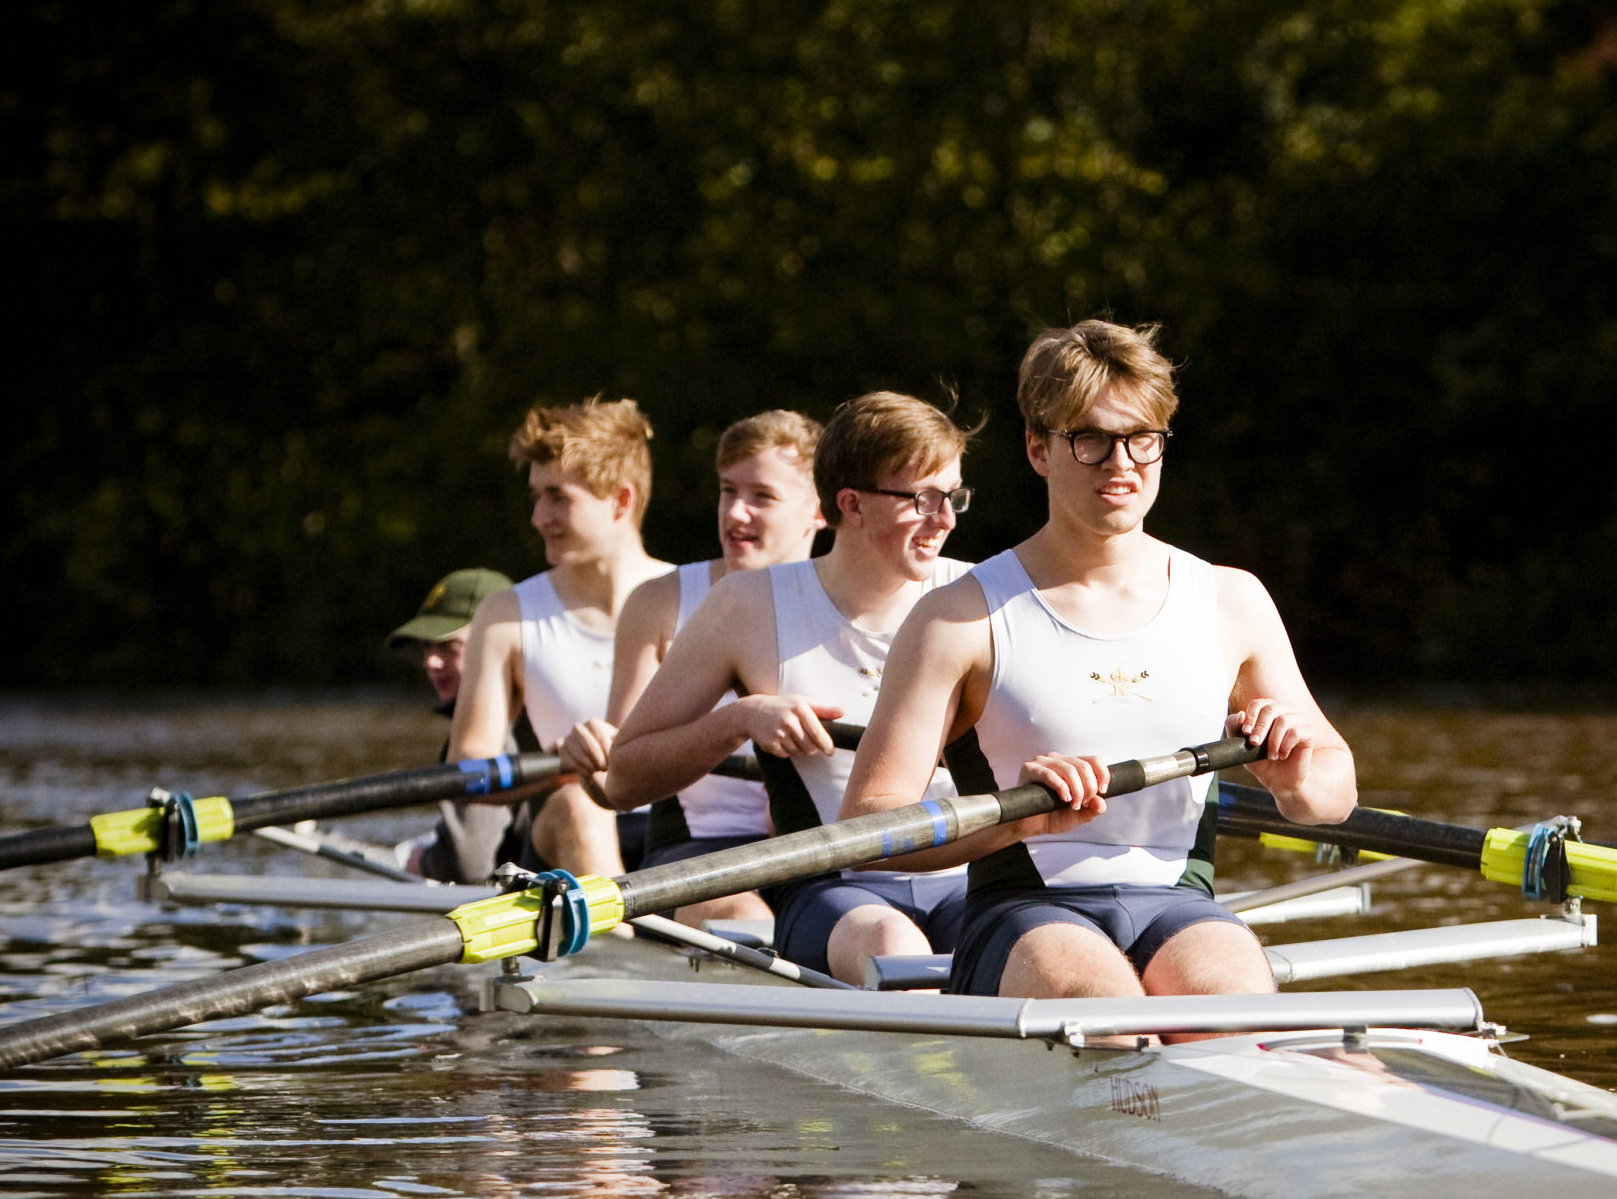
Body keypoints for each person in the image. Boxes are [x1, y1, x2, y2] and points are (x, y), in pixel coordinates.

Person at [840, 320, 1355, 999]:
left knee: (1230, 1007)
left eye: (1143, 438)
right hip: (1020, 914)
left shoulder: (1233, 600)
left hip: (1180, 907)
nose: (1121, 463)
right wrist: (1015, 816)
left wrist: (1291, 780)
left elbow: (1335, 792)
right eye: (1090, 439)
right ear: (1038, 449)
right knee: (1106, 1009)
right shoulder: (956, 617)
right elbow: (868, 824)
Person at [590, 393, 975, 982]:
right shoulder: (745, 608)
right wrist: (740, 719)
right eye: (924, 500)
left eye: (952, 498)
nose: (944, 520)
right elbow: (623, 779)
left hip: (966, 878)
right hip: (831, 888)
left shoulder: (978, 598)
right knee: (893, 942)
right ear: (850, 505)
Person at [559, 410, 824, 926]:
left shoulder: (851, 603)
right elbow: (616, 785)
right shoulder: (660, 603)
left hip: (816, 853)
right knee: (751, 920)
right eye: (729, 491)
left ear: (820, 511)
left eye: (762, 497)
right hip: (697, 854)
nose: (736, 513)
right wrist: (588, 758)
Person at [450, 398, 671, 876]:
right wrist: (558, 762)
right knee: (580, 805)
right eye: (536, 496)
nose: (538, 517)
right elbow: (467, 765)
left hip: (680, 841)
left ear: (621, 501)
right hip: (566, 833)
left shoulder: (700, 599)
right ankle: (621, 946)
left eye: (558, 497)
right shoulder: (507, 615)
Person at [384, 567, 529, 881]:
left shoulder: (486, 735)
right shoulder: (548, 712)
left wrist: (418, 862)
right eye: (427, 648)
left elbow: (468, 865)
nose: (430, 663)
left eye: (449, 647)